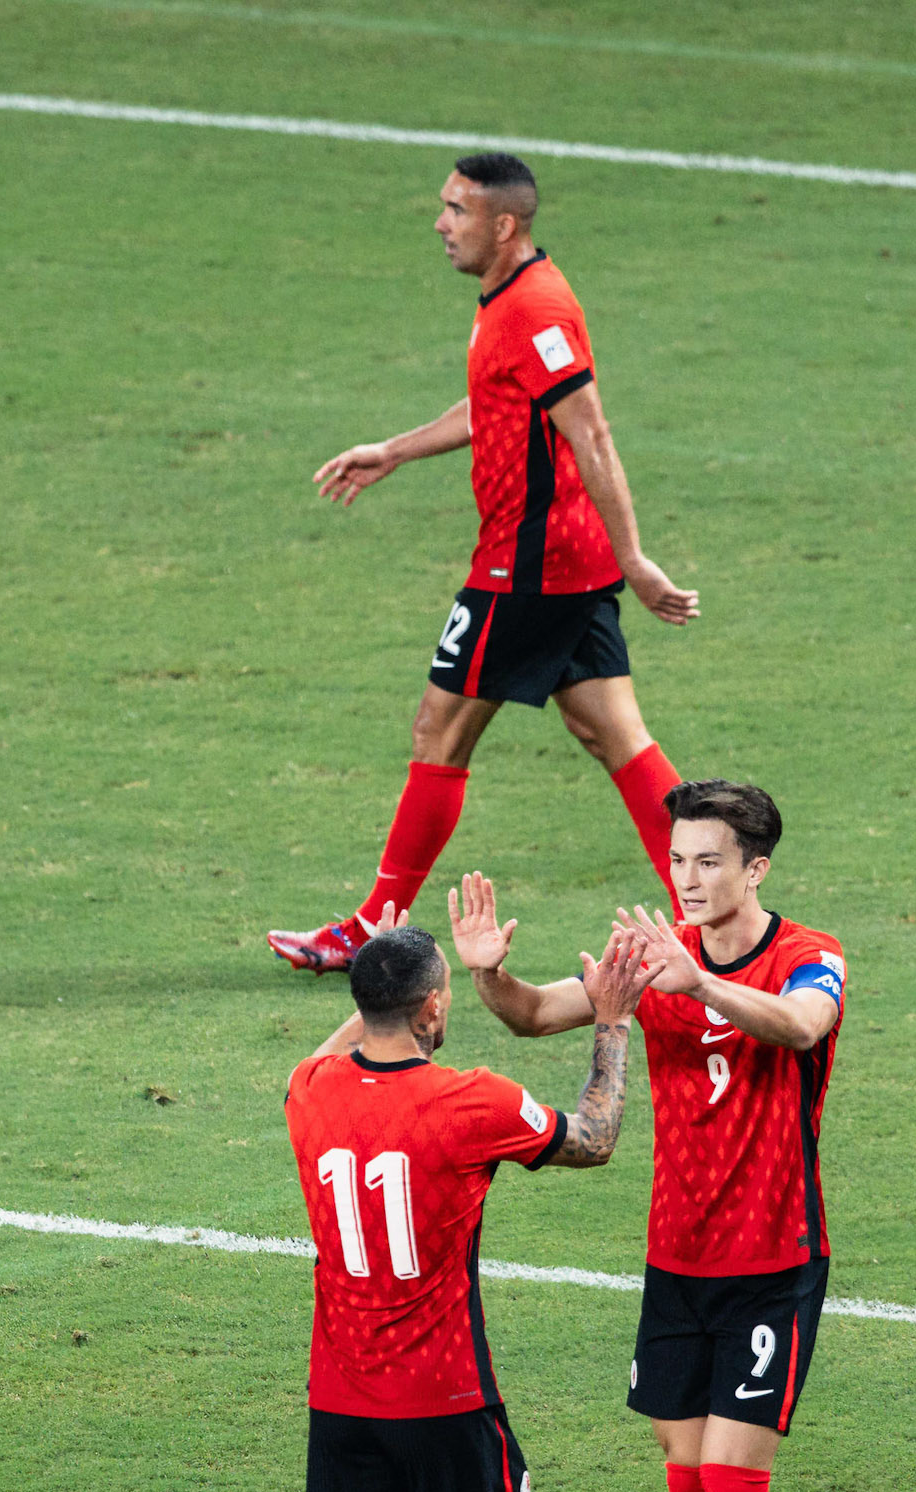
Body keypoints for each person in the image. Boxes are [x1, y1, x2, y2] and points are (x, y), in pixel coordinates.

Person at [447, 780, 845, 1492]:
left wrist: (697, 982)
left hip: (774, 1256)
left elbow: (798, 1027)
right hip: (679, 1260)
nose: (690, 877)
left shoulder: (811, 955)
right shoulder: (652, 953)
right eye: (678, 860)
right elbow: (538, 1013)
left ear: (756, 868)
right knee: (684, 1484)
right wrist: (492, 978)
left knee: (733, 1481)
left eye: (710, 860)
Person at [268, 151, 697, 975]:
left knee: (440, 729)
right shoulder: (508, 302)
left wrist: (636, 559)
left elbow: (592, 432)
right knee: (613, 734)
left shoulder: (537, 309)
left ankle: (371, 928)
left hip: (526, 564)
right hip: (559, 558)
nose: (441, 223)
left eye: (456, 210)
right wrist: (393, 450)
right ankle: (709, 917)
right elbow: (494, 402)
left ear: (504, 225)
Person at [285, 909, 652, 1492]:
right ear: (437, 1005)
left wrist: (386, 974)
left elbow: (336, 1051)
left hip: (341, 1398)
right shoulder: (472, 1100)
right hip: (445, 1396)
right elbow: (597, 1136)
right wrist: (612, 1022)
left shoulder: (309, 1092)